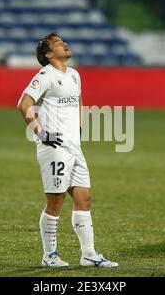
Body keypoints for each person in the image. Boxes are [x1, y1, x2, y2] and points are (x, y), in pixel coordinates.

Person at [17, 33, 118, 267]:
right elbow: (24, 104)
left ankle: (88, 254)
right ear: (49, 54)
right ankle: (49, 255)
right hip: (54, 148)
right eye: (57, 42)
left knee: (85, 199)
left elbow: (79, 100)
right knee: (56, 200)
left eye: (63, 40)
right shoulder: (44, 76)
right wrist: (40, 132)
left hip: (74, 147)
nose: (64, 43)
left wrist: (80, 128)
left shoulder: (74, 75)